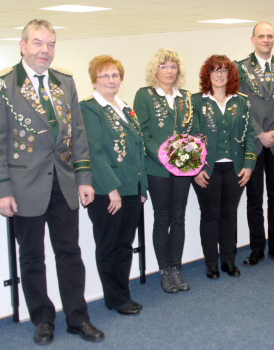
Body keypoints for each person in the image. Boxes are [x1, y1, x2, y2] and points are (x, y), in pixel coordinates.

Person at [0, 19, 104, 344]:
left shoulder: (64, 81)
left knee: (70, 253)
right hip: (24, 186)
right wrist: (0, 189)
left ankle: (77, 317)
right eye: (37, 43)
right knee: (32, 256)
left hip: (63, 183)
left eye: (50, 44)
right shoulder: (1, 84)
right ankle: (42, 318)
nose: (45, 51)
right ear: (22, 46)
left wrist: (83, 178)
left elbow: (77, 132)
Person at [80, 55, 147, 315]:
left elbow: (137, 148)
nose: (111, 80)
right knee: (109, 246)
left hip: (132, 190)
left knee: (124, 245)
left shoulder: (124, 107)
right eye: (104, 75)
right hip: (107, 192)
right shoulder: (90, 108)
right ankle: (114, 298)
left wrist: (142, 188)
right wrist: (111, 189)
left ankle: (123, 294)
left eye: (115, 75)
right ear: (94, 80)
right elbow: (94, 152)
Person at [134, 49, 196, 293]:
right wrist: (164, 156)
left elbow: (195, 131)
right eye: (164, 66)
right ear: (155, 70)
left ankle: (176, 269)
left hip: (182, 169)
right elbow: (142, 132)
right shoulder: (145, 95)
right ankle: (164, 271)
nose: (169, 71)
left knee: (178, 217)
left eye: (173, 66)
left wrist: (189, 158)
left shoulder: (185, 97)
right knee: (162, 218)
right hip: (157, 168)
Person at [192, 55, 256, 279]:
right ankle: (211, 263)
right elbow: (190, 138)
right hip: (206, 169)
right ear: (207, 75)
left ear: (230, 75)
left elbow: (250, 134)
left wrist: (249, 165)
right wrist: (195, 168)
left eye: (224, 71)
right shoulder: (196, 101)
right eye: (214, 71)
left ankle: (229, 260)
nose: (219, 75)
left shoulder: (242, 101)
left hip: (235, 168)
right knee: (209, 216)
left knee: (229, 215)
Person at [235, 22, 274, 267]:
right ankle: (257, 248)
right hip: (253, 143)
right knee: (254, 199)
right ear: (252, 39)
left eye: (270, 36)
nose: (266, 39)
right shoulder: (240, 68)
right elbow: (238, 106)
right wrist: (260, 133)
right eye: (261, 36)